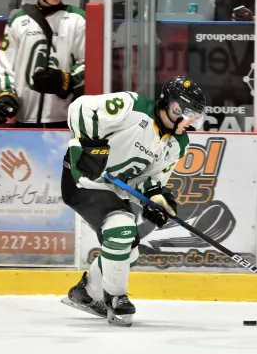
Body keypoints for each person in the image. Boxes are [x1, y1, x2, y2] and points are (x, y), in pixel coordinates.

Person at [61, 77, 207, 326]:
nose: (190, 121)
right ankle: (116, 298)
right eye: (187, 113)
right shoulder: (132, 106)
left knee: (129, 251)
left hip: (114, 189)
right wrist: (90, 145)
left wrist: (155, 198)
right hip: (84, 180)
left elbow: (149, 178)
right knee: (122, 231)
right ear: (172, 106)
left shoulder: (178, 144)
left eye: (195, 115)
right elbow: (80, 109)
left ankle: (86, 294)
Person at [0, 0, 86, 129]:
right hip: (25, 118)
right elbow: (6, 66)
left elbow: (89, 62)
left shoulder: (77, 19)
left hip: (64, 118)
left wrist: (66, 79)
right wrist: (7, 95)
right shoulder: (18, 20)